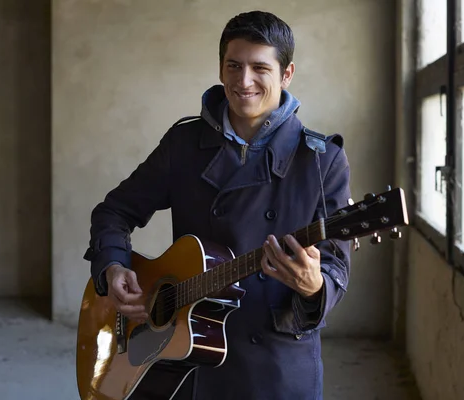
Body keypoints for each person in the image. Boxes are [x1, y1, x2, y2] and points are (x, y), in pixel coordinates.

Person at [83, 10, 352, 400]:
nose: (244, 81)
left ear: (287, 74)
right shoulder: (183, 144)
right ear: (221, 68)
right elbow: (114, 211)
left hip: (275, 364)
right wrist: (113, 265)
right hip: (185, 354)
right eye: (234, 66)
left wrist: (314, 286)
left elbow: (336, 266)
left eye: (260, 67)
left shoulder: (322, 159)